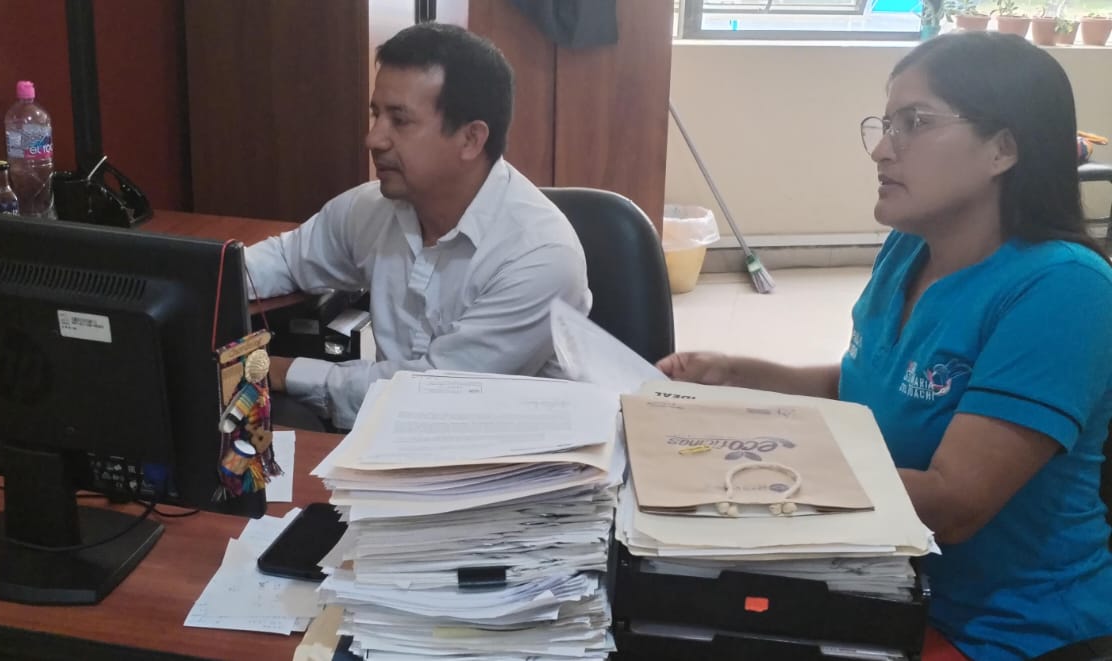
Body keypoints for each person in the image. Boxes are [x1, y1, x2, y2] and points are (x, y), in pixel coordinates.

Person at [657, 32, 1112, 660]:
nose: (881, 148)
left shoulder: (1062, 289)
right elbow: (874, 386)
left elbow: (953, 504)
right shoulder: (909, 249)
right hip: (881, 579)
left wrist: (750, 481)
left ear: (1003, 148)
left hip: (1008, 630)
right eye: (885, 123)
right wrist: (739, 374)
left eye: (914, 123)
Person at [244, 23, 590, 430]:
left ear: (471, 139)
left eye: (400, 120)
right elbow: (285, 259)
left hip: (507, 451)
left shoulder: (541, 255)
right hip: (386, 440)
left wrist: (283, 371)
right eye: (376, 114)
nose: (373, 139)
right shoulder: (373, 208)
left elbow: (435, 395)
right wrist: (200, 281)